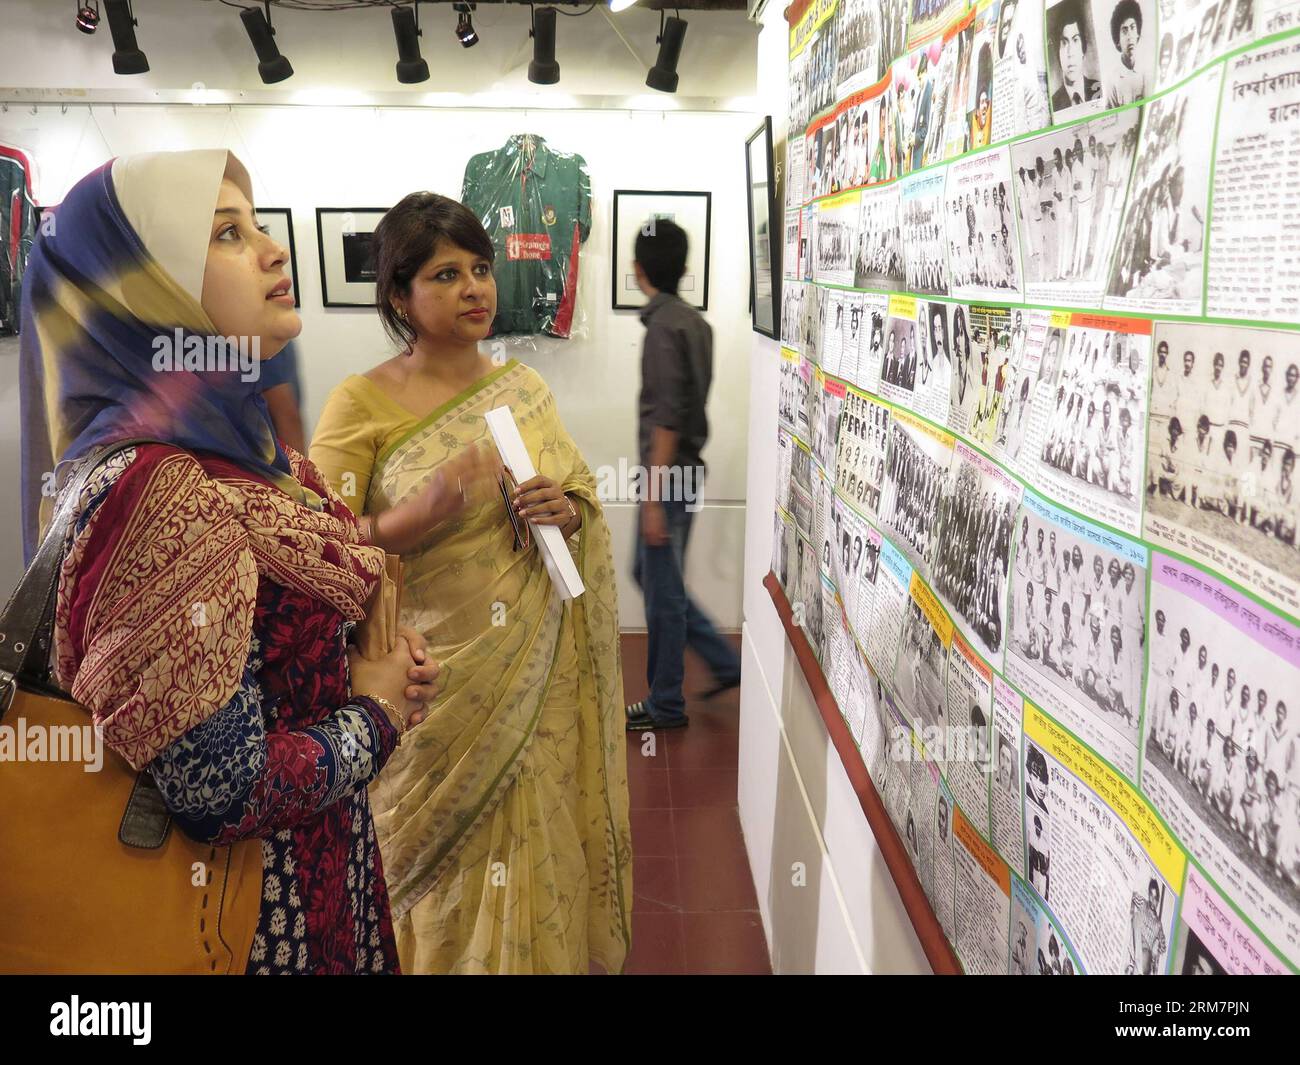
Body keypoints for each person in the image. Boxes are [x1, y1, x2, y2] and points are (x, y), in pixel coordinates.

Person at [19, 149, 442, 974]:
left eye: (254, 224)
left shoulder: (247, 449)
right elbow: (220, 789)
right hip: (242, 921)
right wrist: (375, 713)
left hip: (316, 875)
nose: (273, 249)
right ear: (144, 292)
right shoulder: (160, 491)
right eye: (225, 234)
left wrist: (367, 658)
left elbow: (286, 632)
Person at [309, 191, 632, 974]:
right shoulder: (361, 403)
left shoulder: (523, 389)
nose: (475, 288)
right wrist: (410, 517)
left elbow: (579, 492)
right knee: (433, 869)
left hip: (535, 678)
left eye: (480, 269)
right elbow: (313, 547)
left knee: (535, 833)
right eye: (446, 274)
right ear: (399, 295)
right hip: (428, 685)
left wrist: (571, 509)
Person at [624, 219, 741, 731]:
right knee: (652, 576)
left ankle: (666, 704)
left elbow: (667, 419)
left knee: (661, 589)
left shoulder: (664, 331)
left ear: (639, 271)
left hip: (667, 478)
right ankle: (723, 661)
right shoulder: (696, 324)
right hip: (685, 473)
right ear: (686, 269)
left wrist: (652, 499)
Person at [1052, 1, 1102, 111]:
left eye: (1075, 40)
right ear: (1058, 52)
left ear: (1083, 49)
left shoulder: (1100, 89)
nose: (1070, 53)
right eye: (1064, 43)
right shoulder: (1053, 105)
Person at [1106, 0, 1147, 106]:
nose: (1130, 36)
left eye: (1133, 28)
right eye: (1124, 31)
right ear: (1117, 41)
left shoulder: (1147, 71)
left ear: (1138, 33)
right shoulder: (1113, 81)